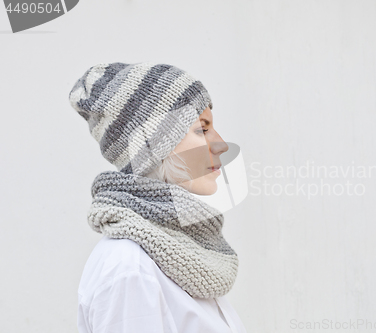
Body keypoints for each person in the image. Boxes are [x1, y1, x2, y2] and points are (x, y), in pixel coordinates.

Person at [69, 62, 246, 333]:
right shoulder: (130, 269)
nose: (221, 144)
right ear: (153, 148)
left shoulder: (184, 253)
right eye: (202, 129)